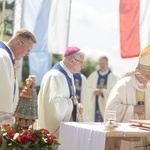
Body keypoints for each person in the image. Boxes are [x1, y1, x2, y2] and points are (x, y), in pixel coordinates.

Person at [104, 45, 150, 150]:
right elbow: (111, 109)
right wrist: (132, 109)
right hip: (127, 140)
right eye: (147, 75)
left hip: (146, 138)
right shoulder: (123, 85)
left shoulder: (148, 88)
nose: (149, 78)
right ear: (138, 71)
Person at [37, 46, 85, 138]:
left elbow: (69, 99)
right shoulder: (55, 76)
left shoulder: (69, 75)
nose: (82, 66)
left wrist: (76, 106)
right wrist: (72, 104)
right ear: (71, 61)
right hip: (52, 132)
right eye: (81, 63)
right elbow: (53, 105)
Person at [0, 29, 37, 126]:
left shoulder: (7, 57)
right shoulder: (2, 56)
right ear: (18, 43)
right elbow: (2, 92)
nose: (28, 54)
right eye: (28, 50)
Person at [87, 56, 117, 122]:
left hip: (106, 104)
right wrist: (93, 91)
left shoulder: (113, 77)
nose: (102, 65)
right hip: (94, 103)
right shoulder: (93, 75)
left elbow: (115, 91)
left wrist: (103, 92)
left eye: (104, 63)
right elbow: (87, 89)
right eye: (100, 63)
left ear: (107, 64)